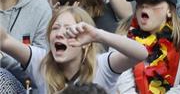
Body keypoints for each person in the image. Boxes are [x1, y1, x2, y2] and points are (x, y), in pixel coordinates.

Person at [0, 5, 147, 93]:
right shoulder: (41, 60)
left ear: (86, 42)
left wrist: (98, 35)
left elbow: (141, 53)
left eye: (69, 30)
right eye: (55, 28)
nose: (59, 34)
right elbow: (4, 40)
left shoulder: (102, 65)